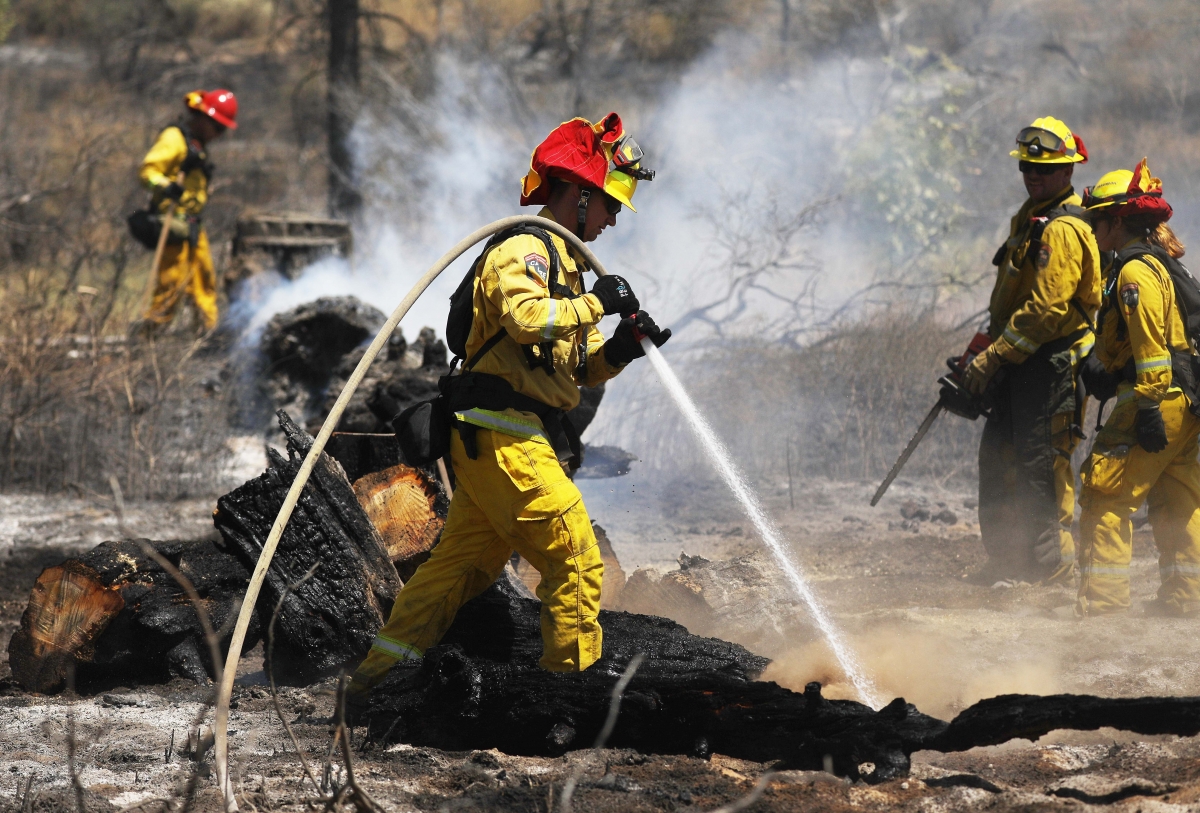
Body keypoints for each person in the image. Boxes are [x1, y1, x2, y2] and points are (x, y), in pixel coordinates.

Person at [348, 114, 670, 702]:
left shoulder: (566, 269)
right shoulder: (525, 249)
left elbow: (574, 371)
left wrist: (623, 347)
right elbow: (526, 321)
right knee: (575, 554)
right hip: (502, 438)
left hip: (502, 440)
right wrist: (597, 303)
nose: (613, 220)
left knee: (454, 575)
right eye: (609, 206)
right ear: (575, 196)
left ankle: (373, 682)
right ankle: (570, 698)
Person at [961, 116, 1102, 585]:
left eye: (1044, 167)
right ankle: (1006, 564)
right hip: (1017, 363)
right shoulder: (1030, 218)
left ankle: (1048, 573)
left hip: (1048, 367)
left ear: (1068, 171)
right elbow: (1012, 300)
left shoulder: (1061, 228)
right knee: (999, 460)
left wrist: (996, 355)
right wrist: (983, 349)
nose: (1033, 174)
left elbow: (1046, 310)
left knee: (1040, 467)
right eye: (1026, 166)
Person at [1075, 159, 1200, 617]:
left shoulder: (1133, 274)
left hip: (1156, 398)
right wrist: (1107, 369)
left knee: (1105, 496)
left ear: (1117, 221)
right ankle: (1186, 601)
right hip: (1184, 404)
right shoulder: (1159, 265)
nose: (1091, 227)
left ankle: (1103, 606)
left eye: (1096, 219)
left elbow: (1152, 349)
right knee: (1176, 498)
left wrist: (1145, 404)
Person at [138, 89, 237, 333]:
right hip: (173, 223)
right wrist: (166, 186)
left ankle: (204, 338)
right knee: (170, 286)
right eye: (218, 127)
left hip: (193, 225)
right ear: (203, 118)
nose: (218, 134)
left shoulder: (197, 144)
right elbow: (148, 172)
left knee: (204, 283)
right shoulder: (174, 138)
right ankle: (149, 341)